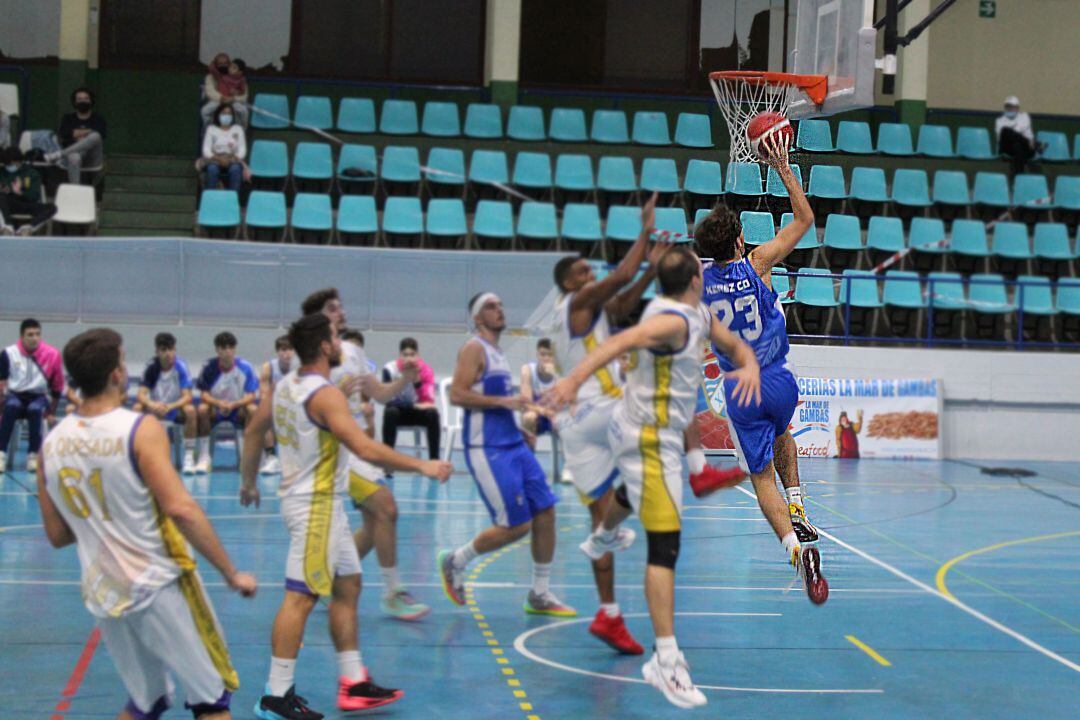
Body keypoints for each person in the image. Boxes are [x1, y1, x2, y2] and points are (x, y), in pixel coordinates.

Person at [547, 246, 761, 709]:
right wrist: (571, 380)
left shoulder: (697, 312)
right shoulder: (672, 322)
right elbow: (617, 343)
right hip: (649, 440)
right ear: (696, 280)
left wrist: (750, 364)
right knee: (665, 547)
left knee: (629, 493)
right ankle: (665, 661)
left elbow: (735, 343)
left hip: (637, 427)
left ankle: (601, 536)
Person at [240, 314, 452, 718]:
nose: (341, 341)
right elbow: (365, 448)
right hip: (314, 505)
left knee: (349, 585)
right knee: (300, 598)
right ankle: (275, 695)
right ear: (323, 346)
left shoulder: (286, 386)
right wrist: (422, 465)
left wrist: (248, 481)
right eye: (336, 336)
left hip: (324, 503)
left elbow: (253, 431)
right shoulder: (324, 394)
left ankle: (353, 682)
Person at [38, 328, 257, 720]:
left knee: (147, 703)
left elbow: (56, 535)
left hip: (104, 590)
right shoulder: (138, 429)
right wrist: (230, 571)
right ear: (117, 374)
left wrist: (98, 518)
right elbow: (182, 509)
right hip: (158, 584)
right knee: (211, 699)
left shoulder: (51, 444)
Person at [695, 133, 828, 602]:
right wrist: (783, 166)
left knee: (760, 476)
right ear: (739, 239)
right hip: (779, 378)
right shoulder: (758, 263)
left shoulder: (700, 285)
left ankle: (795, 550)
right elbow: (805, 220)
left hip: (742, 387)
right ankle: (799, 506)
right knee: (783, 428)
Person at [438, 292, 576, 618]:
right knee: (516, 526)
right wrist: (506, 404)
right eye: (490, 306)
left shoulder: (498, 353)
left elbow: (500, 401)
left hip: (512, 443)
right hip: (488, 449)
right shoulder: (474, 348)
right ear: (476, 318)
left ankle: (540, 593)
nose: (499, 309)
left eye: (500, 304)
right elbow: (457, 394)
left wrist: (526, 413)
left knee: (546, 511)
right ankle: (455, 560)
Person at [302, 288, 435, 621]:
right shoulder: (310, 360)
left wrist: (405, 378)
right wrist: (332, 395)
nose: (342, 312)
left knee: (377, 525)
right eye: (334, 309)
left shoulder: (353, 351)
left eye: (341, 306)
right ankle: (392, 594)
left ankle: (326, 580)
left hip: (360, 448)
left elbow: (379, 393)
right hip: (335, 450)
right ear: (319, 319)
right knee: (386, 508)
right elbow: (306, 405)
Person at [0, 319, 65, 473]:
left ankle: (33, 456)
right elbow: (2, 382)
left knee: (35, 410)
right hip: (14, 395)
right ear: (22, 336)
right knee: (11, 406)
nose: (34, 338)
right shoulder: (8, 353)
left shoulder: (52, 355)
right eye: (30, 335)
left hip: (38, 397)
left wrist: (52, 413)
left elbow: (57, 386)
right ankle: (1, 454)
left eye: (37, 334)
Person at [193, 332, 259, 474]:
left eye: (230, 347)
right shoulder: (208, 367)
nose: (227, 351)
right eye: (223, 348)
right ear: (217, 350)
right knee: (202, 409)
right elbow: (204, 394)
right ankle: (204, 457)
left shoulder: (246, 367)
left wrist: (234, 405)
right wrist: (218, 403)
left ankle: (245, 457)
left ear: (235, 349)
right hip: (216, 409)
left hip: (237, 409)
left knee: (253, 409)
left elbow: (251, 395)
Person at [134, 332, 198, 474]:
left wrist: (170, 406)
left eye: (170, 349)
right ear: (157, 351)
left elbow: (187, 396)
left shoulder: (181, 366)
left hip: (174, 409)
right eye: (163, 350)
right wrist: (152, 405)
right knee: (136, 408)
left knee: (191, 410)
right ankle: (136, 456)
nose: (168, 353)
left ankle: (188, 457)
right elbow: (141, 394)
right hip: (155, 409)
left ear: (174, 349)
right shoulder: (151, 367)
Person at [381, 337, 440, 461]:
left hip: (417, 414)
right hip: (398, 412)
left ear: (418, 356)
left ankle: (434, 461)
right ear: (400, 355)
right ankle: (387, 461)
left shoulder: (427, 371)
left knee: (433, 414)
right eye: (405, 355)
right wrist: (412, 405)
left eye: (412, 355)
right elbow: (387, 399)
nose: (409, 358)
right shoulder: (389, 369)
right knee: (390, 412)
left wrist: (417, 381)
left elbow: (428, 400)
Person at [49, 87, 107, 185]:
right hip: (73, 155)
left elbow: (100, 134)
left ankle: (60, 154)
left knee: (96, 136)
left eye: (86, 98)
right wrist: (88, 133)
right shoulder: (67, 118)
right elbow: (64, 133)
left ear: (91, 101)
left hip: (92, 157)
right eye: (79, 99)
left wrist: (76, 133)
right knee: (74, 156)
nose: (82, 101)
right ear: (74, 102)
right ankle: (75, 190)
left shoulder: (98, 119)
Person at [257, 335, 294, 475]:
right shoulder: (268, 368)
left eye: (290, 350)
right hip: (276, 406)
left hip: (297, 407)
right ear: (277, 352)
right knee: (263, 415)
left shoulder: (302, 367)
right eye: (283, 350)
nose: (287, 354)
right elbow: (264, 396)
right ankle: (271, 457)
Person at [0, 147, 57, 235]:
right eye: (7, 164)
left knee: (52, 207)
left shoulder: (31, 174)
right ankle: (7, 228)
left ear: (19, 161)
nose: (9, 167)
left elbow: (34, 196)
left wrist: (20, 193)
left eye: (12, 164)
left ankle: (27, 229)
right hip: (7, 204)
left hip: (25, 204)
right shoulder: (2, 173)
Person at [519, 338, 557, 450]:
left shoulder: (560, 371)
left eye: (550, 355)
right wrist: (545, 411)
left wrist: (556, 375)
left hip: (555, 413)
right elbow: (526, 404)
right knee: (528, 417)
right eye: (542, 354)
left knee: (568, 422)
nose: (546, 358)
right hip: (538, 414)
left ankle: (570, 462)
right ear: (537, 355)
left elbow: (565, 402)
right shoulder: (527, 370)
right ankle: (529, 459)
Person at [201, 104, 247, 191]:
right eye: (223, 113)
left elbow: (242, 150)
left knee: (235, 169)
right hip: (215, 158)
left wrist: (230, 159)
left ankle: (233, 199)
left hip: (233, 159)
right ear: (218, 115)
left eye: (229, 113)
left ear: (233, 116)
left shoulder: (238, 129)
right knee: (212, 169)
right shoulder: (211, 129)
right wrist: (219, 159)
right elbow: (206, 149)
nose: (226, 115)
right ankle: (211, 198)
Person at [995, 96, 1043, 177]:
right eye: (1007, 106)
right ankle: (1036, 145)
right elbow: (1015, 132)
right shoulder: (999, 121)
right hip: (1007, 148)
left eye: (1012, 107)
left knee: (1017, 146)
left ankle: (1018, 178)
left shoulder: (1024, 116)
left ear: (1017, 108)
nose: (1009, 109)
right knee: (1005, 130)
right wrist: (1029, 142)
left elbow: (1019, 129)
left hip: (1026, 149)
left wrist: (1017, 134)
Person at [201, 53, 250, 128]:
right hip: (218, 100)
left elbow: (244, 95)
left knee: (243, 111)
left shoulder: (241, 78)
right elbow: (210, 92)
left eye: (225, 63)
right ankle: (209, 130)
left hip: (233, 100)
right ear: (216, 64)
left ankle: (241, 133)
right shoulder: (212, 76)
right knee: (205, 111)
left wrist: (234, 97)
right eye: (220, 64)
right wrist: (222, 98)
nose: (223, 66)